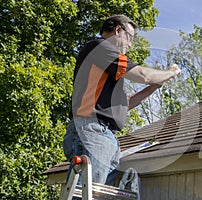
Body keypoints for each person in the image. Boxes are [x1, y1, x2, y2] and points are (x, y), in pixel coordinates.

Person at [62, 14, 181, 186]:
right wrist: (171, 72)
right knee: (87, 194)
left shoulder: (108, 70)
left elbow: (126, 104)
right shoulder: (99, 47)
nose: (130, 45)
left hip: (106, 136)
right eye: (130, 38)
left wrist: (154, 87)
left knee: (97, 195)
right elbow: (142, 75)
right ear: (118, 30)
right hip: (91, 130)